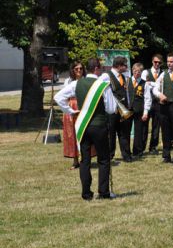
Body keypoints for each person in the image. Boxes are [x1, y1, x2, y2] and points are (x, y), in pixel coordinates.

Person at [54, 58, 117, 200]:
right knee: (103, 159)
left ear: (87, 68)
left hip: (82, 126)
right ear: (97, 68)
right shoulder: (103, 85)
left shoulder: (76, 84)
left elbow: (58, 97)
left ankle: (86, 193)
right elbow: (111, 109)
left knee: (85, 160)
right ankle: (103, 192)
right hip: (99, 125)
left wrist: (70, 111)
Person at [61, 61, 93, 170]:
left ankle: (86, 158)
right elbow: (63, 97)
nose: (79, 71)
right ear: (72, 70)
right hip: (72, 108)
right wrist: (68, 109)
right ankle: (75, 160)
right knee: (72, 134)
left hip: (83, 106)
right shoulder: (68, 82)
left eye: (81, 69)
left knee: (85, 132)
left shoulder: (85, 81)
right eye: (76, 69)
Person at [101, 56, 134, 162]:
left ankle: (126, 155)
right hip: (111, 111)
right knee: (111, 133)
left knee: (124, 133)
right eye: (125, 65)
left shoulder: (123, 77)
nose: (126, 67)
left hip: (122, 110)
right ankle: (109, 155)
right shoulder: (106, 76)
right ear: (119, 66)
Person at [141, 53, 163, 154]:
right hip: (147, 102)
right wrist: (156, 84)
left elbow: (161, 87)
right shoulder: (145, 72)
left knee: (156, 126)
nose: (157, 64)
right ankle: (141, 147)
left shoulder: (163, 73)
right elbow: (144, 84)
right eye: (155, 62)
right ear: (152, 62)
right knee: (144, 125)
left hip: (158, 102)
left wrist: (152, 83)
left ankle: (153, 147)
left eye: (159, 62)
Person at [131, 63, 152, 157]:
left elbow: (148, 98)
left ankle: (137, 151)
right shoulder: (127, 81)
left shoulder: (145, 84)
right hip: (128, 110)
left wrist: (145, 112)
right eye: (135, 71)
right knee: (125, 132)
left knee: (138, 131)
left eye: (139, 72)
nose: (137, 73)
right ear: (132, 71)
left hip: (139, 110)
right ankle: (127, 151)